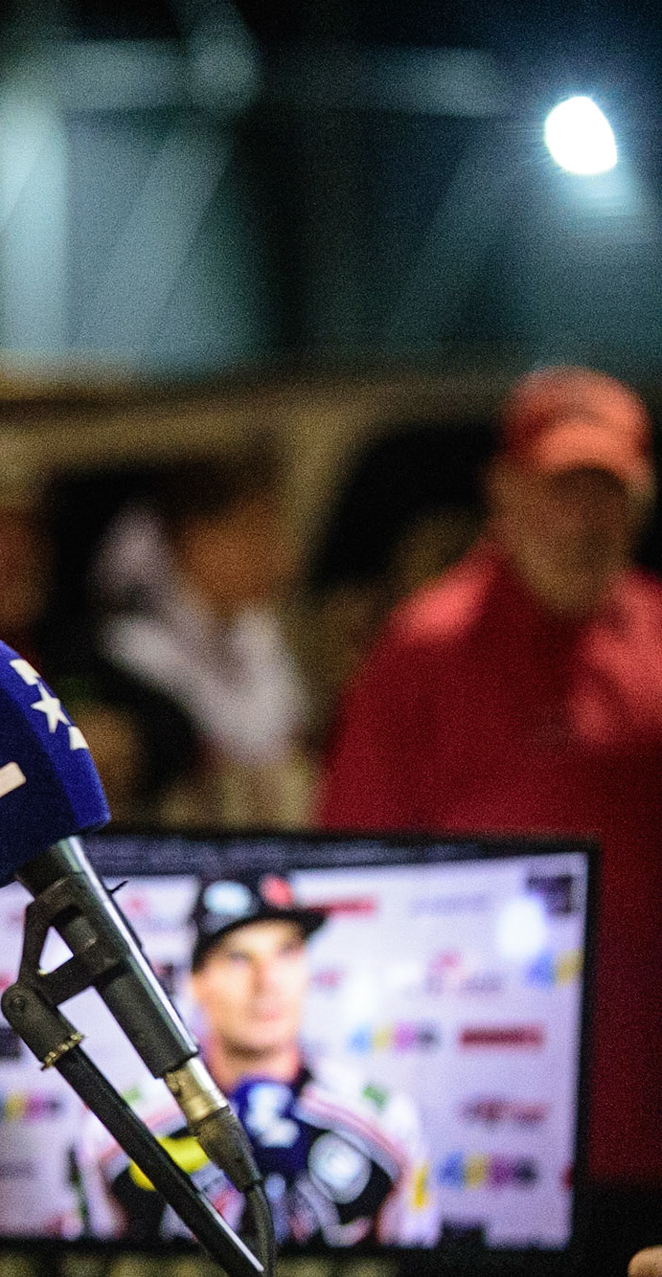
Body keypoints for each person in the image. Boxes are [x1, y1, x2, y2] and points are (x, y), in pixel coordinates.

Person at [320, 367, 662, 1253]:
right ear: (505, 491)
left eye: (606, 494)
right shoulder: (424, 650)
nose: (582, 521)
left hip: (644, 1130)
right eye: (561, 490)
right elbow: (352, 879)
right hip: (474, 1132)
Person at [76, 874, 436, 1246]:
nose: (268, 981)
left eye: (286, 951)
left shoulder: (388, 1125)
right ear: (196, 981)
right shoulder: (117, 1132)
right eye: (238, 957)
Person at [94, 452, 310, 826]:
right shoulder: (131, 651)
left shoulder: (257, 629)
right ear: (197, 540)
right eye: (254, 533)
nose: (279, 555)